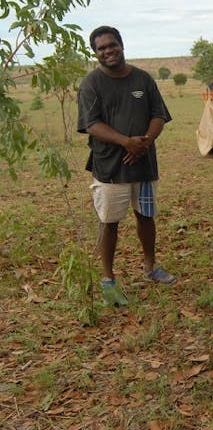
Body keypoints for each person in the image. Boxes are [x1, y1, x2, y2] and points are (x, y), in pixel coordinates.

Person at [77, 25, 176, 307]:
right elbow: (91, 124)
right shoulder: (92, 83)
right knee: (109, 222)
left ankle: (150, 267)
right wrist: (126, 142)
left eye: (112, 45)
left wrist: (143, 143)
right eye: (101, 48)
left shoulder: (143, 79)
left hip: (144, 163)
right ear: (96, 53)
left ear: (121, 44)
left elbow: (158, 115)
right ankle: (108, 279)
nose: (108, 51)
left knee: (146, 215)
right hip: (109, 167)